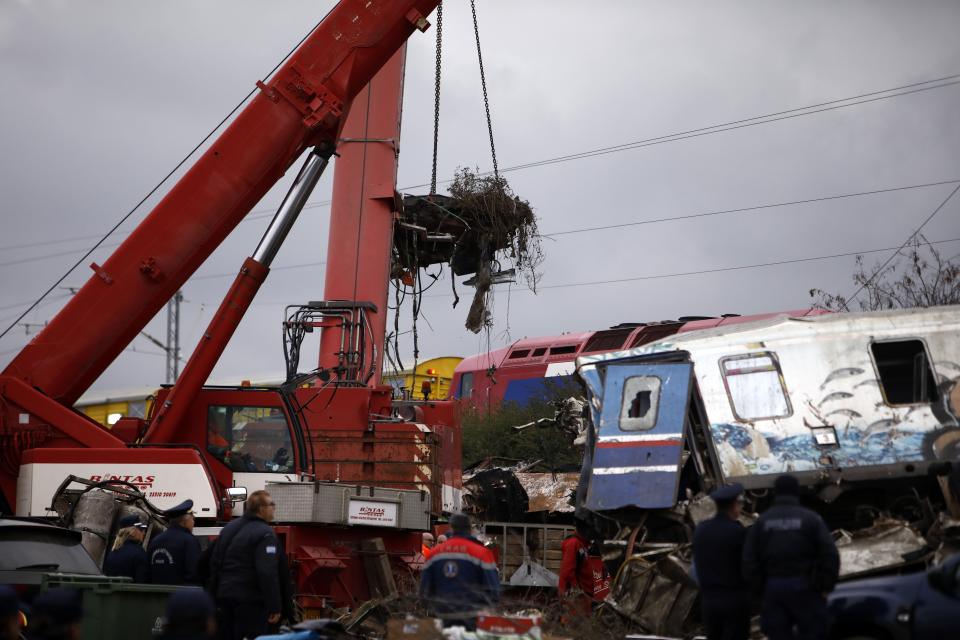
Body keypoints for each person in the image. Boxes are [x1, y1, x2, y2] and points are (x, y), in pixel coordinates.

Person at [743, 475, 840, 640]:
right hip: (807, 587)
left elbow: (749, 561)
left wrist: (760, 590)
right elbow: (830, 555)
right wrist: (826, 586)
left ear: (776, 493)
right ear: (796, 492)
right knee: (813, 633)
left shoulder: (762, 523)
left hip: (774, 588)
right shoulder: (811, 519)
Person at [208, 490, 281, 640]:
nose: (274, 507)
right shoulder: (265, 533)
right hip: (250, 602)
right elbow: (267, 572)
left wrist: (213, 597)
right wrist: (274, 605)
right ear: (261, 509)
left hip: (224, 598)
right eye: (271, 504)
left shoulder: (228, 529)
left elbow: (215, 563)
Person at [419, 513, 499, 629]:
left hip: (443, 617)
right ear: (470, 529)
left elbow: (424, 591)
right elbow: (493, 591)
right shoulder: (482, 553)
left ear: (452, 528)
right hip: (472, 619)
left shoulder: (434, 554)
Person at [692, 483, 750, 640]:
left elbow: (695, 567)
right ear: (734, 505)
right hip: (734, 600)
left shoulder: (701, 530)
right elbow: (747, 566)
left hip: (710, 601)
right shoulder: (737, 532)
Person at [558, 519, 610, 621]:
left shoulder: (582, 545)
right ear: (585, 529)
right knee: (574, 629)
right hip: (576, 598)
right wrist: (578, 592)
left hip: (583, 598)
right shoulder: (573, 543)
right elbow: (567, 572)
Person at [149, 499, 202, 585]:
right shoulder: (189, 541)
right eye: (193, 519)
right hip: (181, 596)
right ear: (185, 521)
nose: (193, 523)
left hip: (156, 596)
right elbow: (194, 574)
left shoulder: (155, 541)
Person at [103, 513, 149, 582]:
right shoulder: (139, 553)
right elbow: (142, 582)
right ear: (133, 532)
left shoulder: (112, 553)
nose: (144, 533)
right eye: (141, 529)